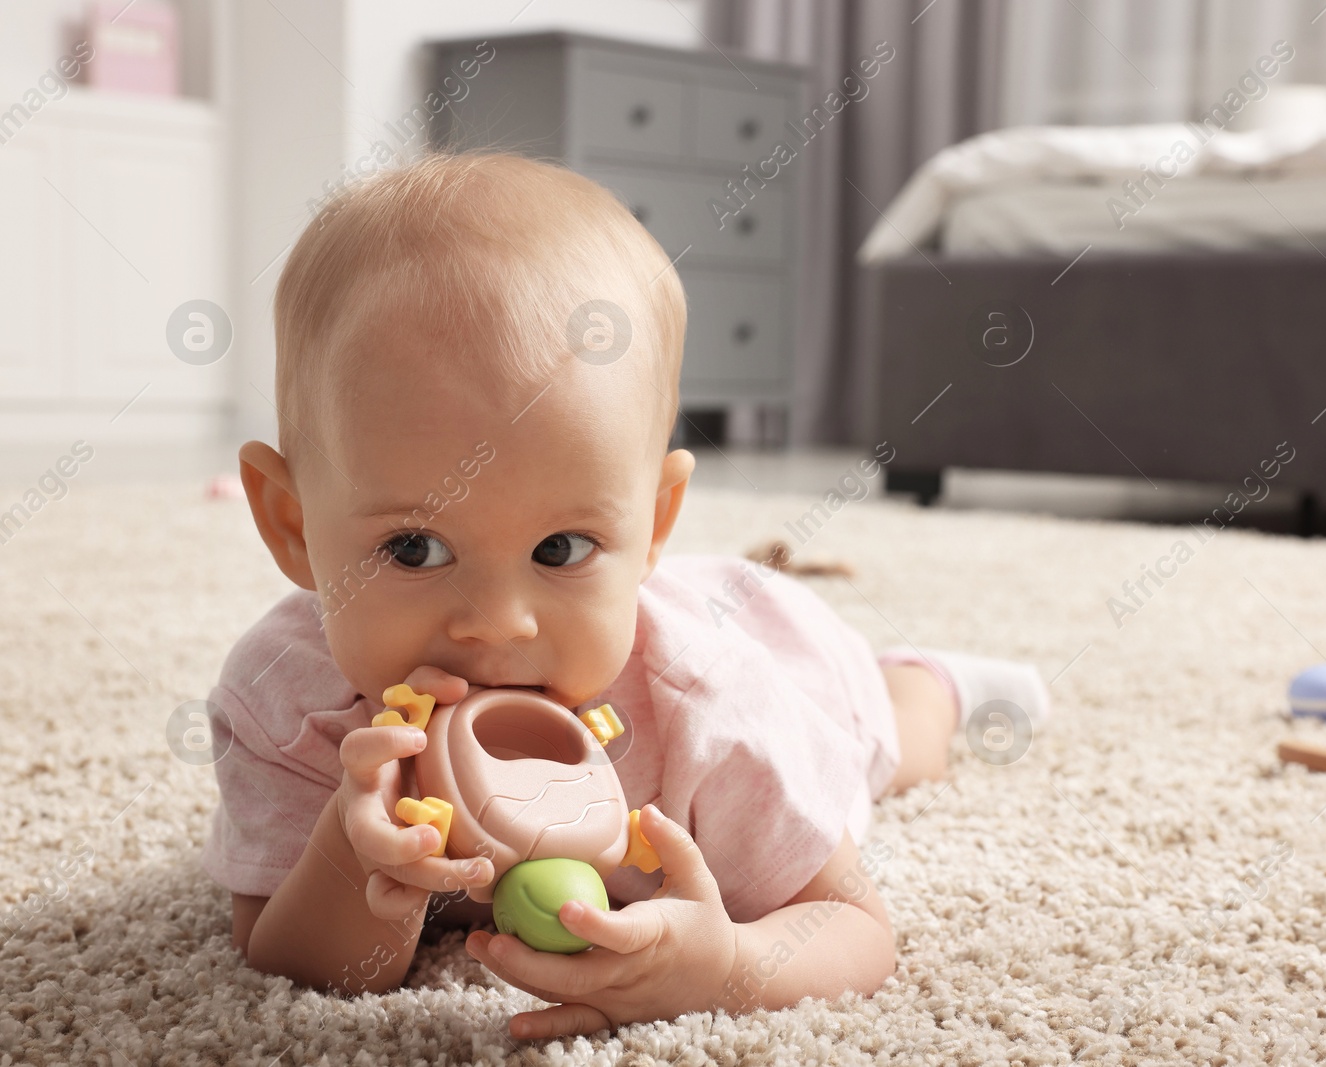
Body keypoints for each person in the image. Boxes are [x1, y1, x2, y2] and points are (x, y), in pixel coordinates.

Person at [203, 151, 1051, 1040]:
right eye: (413, 547)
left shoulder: (712, 709)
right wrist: (351, 857)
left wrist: (725, 966)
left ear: (653, 525)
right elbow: (282, 953)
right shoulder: (288, 706)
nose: (499, 622)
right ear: (294, 524)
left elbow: (852, 925)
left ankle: (933, 683)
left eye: (560, 548)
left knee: (891, 739)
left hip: (798, 662)